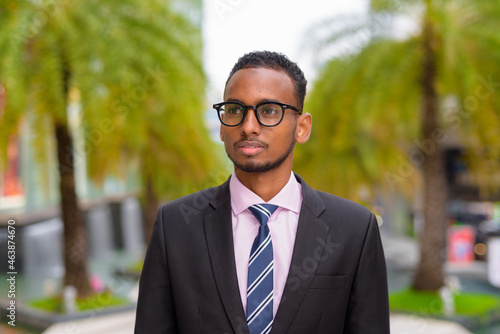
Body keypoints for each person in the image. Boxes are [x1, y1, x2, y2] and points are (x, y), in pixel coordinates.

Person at [135, 50, 390, 334]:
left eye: (269, 110)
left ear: (302, 128)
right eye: (234, 110)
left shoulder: (354, 229)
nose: (248, 127)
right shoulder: (175, 226)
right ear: (221, 126)